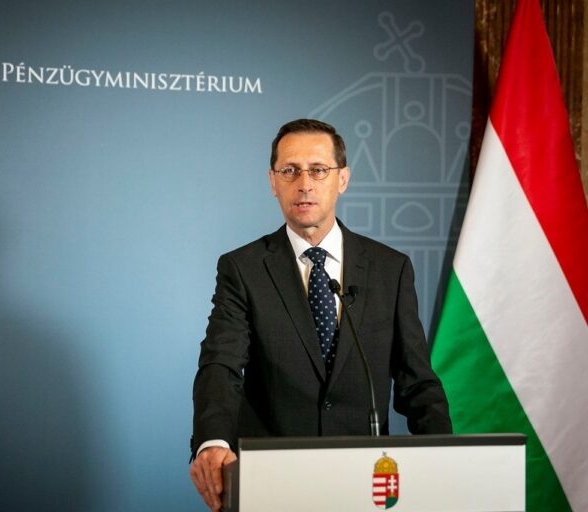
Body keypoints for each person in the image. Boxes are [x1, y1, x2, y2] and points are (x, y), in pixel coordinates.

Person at [189, 119, 452, 511]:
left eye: (318, 170)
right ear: (273, 181)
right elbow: (221, 364)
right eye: (290, 171)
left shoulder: (390, 269)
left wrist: (446, 459)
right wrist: (213, 441)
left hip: (367, 484)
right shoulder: (242, 269)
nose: (304, 184)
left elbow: (417, 381)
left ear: (342, 179)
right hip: (272, 481)